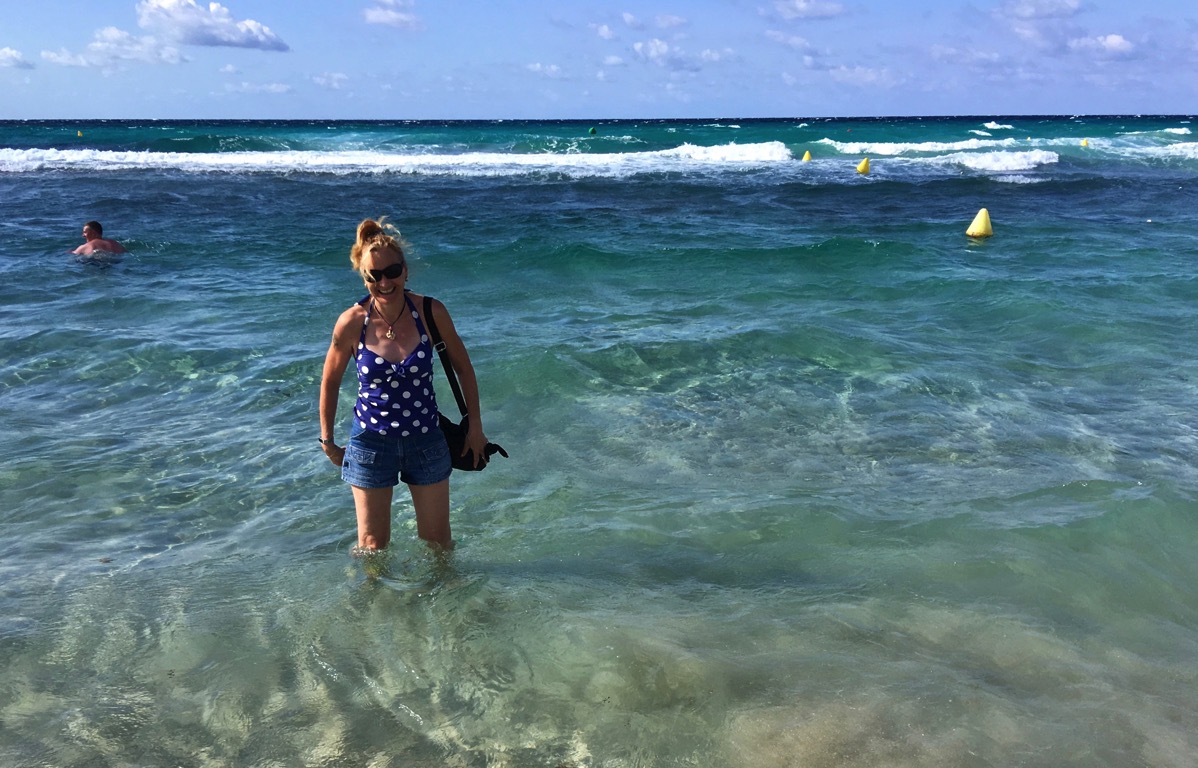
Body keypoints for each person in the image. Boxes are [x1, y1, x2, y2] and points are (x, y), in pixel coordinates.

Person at [319, 218, 491, 554]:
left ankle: (447, 603)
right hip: (370, 443)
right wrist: (327, 440)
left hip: (426, 439)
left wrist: (475, 426)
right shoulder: (352, 322)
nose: (385, 281)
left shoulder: (430, 312)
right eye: (374, 275)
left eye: (392, 271)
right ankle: (371, 604)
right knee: (371, 547)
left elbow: (464, 369)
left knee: (438, 544)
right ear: (364, 276)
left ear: (406, 270)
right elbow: (330, 380)